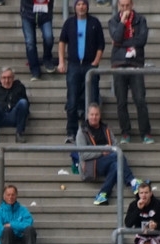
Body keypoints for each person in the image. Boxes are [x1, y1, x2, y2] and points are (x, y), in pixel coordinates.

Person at [57, 0, 104, 144]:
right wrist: (61, 61)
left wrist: (96, 61)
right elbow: (62, 42)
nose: (81, 7)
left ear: (87, 6)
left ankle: (91, 132)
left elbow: (101, 44)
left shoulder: (95, 22)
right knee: (72, 101)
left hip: (90, 65)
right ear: (75, 7)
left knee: (92, 99)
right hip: (74, 65)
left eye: (83, 4)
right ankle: (71, 132)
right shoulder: (69, 23)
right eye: (78, 4)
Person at [76, 103, 140, 207]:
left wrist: (109, 151)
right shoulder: (82, 131)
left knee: (116, 165)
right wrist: (102, 151)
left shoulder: (105, 128)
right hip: (89, 165)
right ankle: (132, 181)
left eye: (96, 114)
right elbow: (83, 155)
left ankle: (102, 194)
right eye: (92, 114)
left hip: (108, 161)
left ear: (100, 115)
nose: (94, 117)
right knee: (116, 156)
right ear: (87, 115)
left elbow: (116, 146)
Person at [107, 0, 152, 144]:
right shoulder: (113, 21)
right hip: (119, 64)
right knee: (121, 102)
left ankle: (145, 132)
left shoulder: (141, 20)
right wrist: (122, 22)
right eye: (122, 5)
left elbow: (141, 40)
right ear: (118, 6)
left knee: (140, 100)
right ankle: (125, 132)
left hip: (135, 64)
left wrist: (120, 44)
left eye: (127, 5)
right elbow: (116, 37)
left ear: (132, 5)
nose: (125, 8)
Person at [0, 67, 29, 143]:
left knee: (23, 102)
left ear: (13, 78)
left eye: (9, 78)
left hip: (14, 116)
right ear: (0, 78)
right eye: (4, 78)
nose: (7, 81)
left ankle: (19, 133)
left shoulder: (20, 87)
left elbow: (26, 104)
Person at [20, 0, 56, 81]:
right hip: (27, 13)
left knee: (49, 37)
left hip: (45, 14)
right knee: (30, 43)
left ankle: (47, 59)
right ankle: (35, 70)